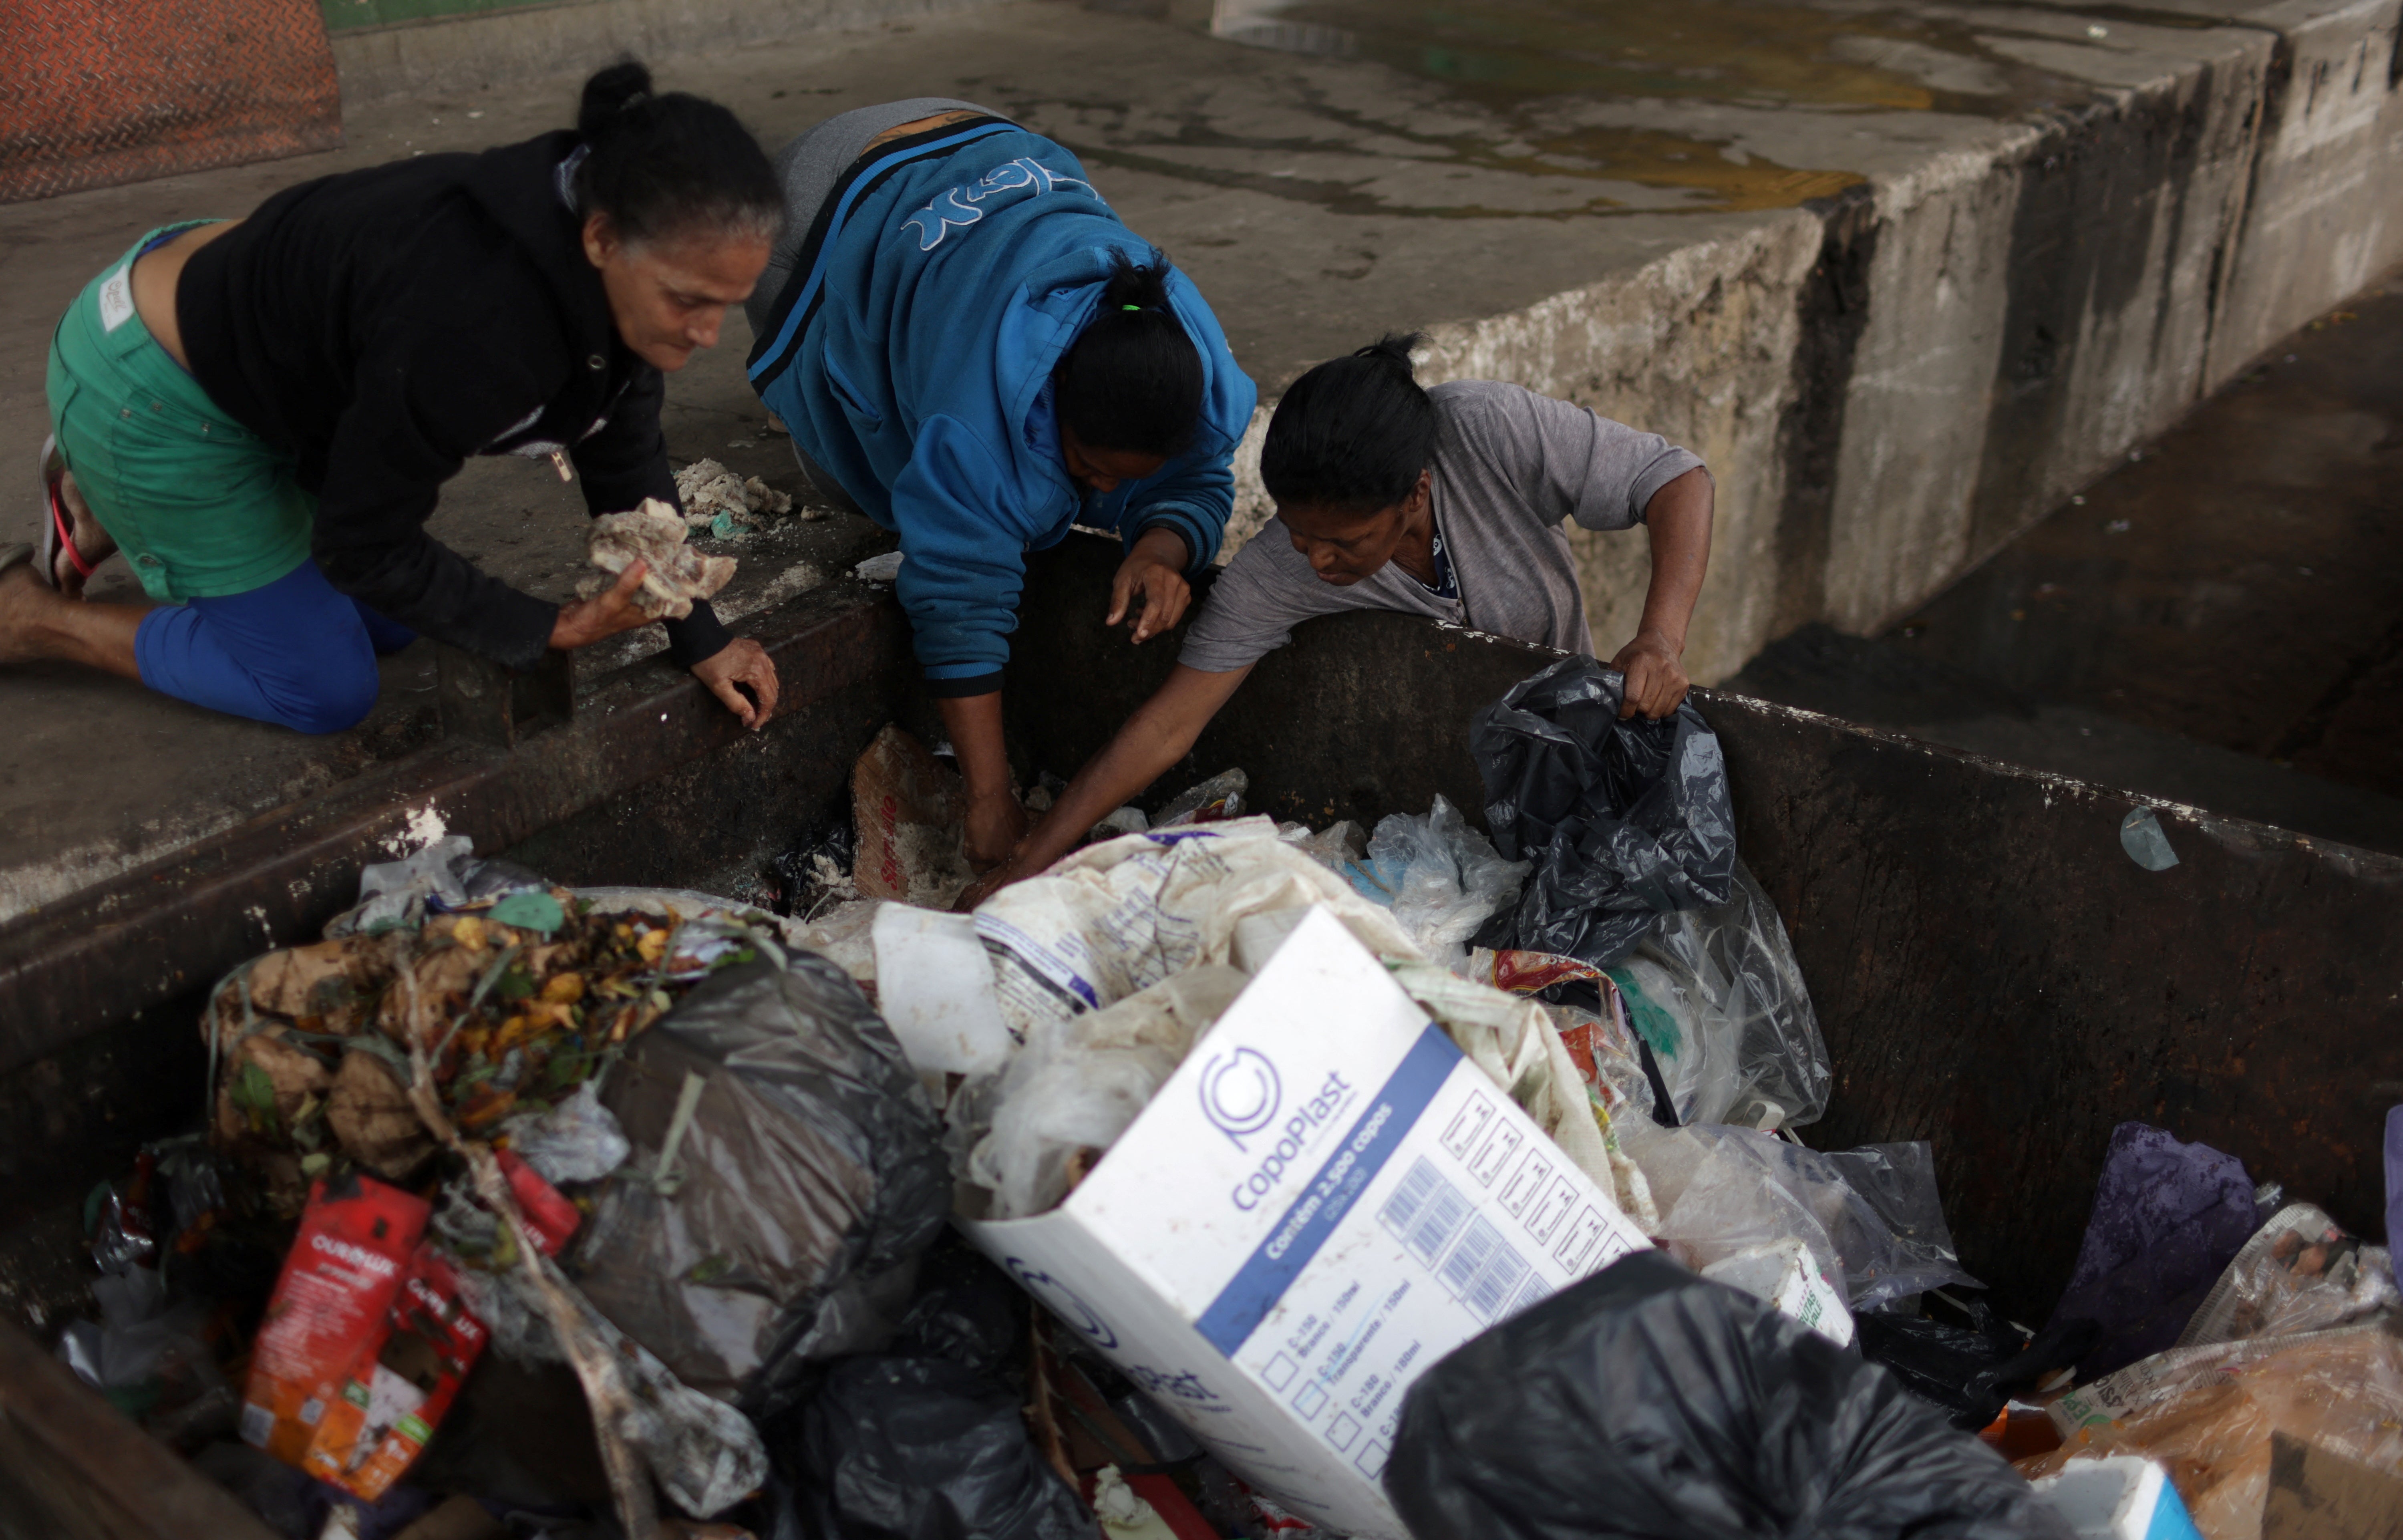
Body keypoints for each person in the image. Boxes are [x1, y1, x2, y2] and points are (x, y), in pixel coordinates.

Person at [1, 61, 783, 735]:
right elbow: (362, 543)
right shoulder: (475, 322)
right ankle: (37, 616)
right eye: (689, 301)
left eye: (728, 302)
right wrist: (551, 625)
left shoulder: (596, 218)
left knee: (396, 627)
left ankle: (110, 502)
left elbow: (623, 442)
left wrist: (701, 633)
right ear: (604, 240)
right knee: (326, 688)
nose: (709, 335)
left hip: (246, 339)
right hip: (151, 389)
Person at [963, 333, 1714, 905]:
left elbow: (1674, 479)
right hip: (1431, 807)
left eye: (1344, 542)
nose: (1317, 561)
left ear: (1416, 494)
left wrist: (1659, 637)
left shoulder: (1486, 430)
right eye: (1300, 534)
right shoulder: (1280, 572)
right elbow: (1167, 726)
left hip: (1562, 758)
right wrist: (1029, 865)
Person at [744, 99, 1256, 868]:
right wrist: (988, 796)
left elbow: (1200, 477)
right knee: (852, 477)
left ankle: (911, 316)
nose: (1095, 491)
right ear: (1050, 405)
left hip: (976, 132)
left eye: (1123, 482)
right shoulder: (976, 417)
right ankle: (845, 333)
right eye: (1087, 467)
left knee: (976, 473)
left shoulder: (1191, 368)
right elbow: (958, 595)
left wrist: (1163, 546)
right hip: (815, 202)